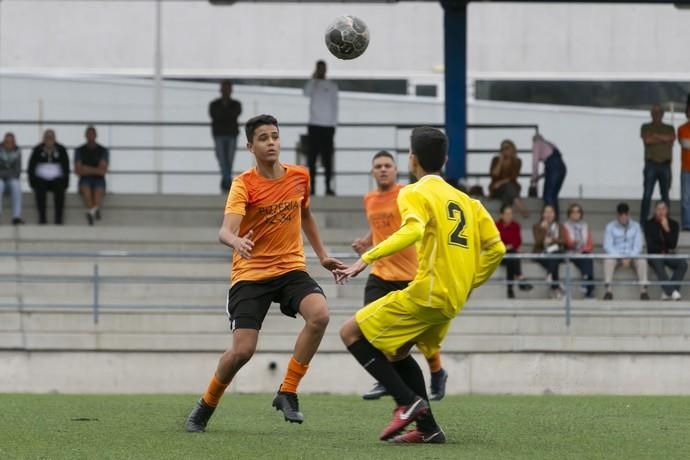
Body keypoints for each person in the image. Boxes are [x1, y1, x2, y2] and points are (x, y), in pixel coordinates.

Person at [336, 127, 505, 444]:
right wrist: (469, 281)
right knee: (398, 351)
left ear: (412, 160)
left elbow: (412, 230)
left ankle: (406, 402)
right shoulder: (469, 202)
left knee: (349, 332)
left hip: (427, 293)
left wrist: (366, 258)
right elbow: (497, 249)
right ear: (445, 160)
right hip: (452, 300)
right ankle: (429, 430)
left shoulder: (413, 192)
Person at [184, 115, 345, 433]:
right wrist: (236, 240)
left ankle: (287, 391)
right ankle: (206, 404)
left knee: (320, 315)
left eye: (275, 136)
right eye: (263, 138)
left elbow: (306, 214)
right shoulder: (243, 184)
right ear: (250, 146)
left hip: (290, 268)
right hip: (251, 273)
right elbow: (225, 231)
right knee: (242, 351)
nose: (271, 142)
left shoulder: (299, 176)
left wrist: (323, 255)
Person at [352, 150, 448, 402]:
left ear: (396, 170)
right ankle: (386, 378)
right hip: (380, 274)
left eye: (387, 165)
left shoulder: (409, 193)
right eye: (378, 166)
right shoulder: (369, 198)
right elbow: (378, 227)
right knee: (370, 326)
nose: (383, 169)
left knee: (417, 336)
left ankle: (437, 372)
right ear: (372, 172)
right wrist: (366, 241)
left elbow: (414, 226)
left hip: (409, 274)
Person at [303, 60, 338, 196]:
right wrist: (313, 78)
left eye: (323, 68)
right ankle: (312, 187)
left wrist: (334, 125)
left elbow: (335, 106)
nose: (321, 71)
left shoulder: (332, 85)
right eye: (319, 68)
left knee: (327, 159)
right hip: (314, 125)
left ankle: (328, 186)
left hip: (328, 127)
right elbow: (305, 93)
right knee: (312, 159)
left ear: (326, 69)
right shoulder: (313, 84)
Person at [602, 202, 649, 301]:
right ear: (617, 215)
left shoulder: (636, 226)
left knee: (642, 261)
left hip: (632, 255)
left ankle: (643, 292)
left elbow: (638, 245)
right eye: (621, 215)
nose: (623, 217)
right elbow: (608, 246)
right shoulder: (610, 226)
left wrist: (629, 257)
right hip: (616, 256)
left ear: (629, 214)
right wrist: (620, 257)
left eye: (625, 215)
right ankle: (608, 291)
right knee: (608, 260)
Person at [644, 201, 687, 301]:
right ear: (655, 211)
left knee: (683, 264)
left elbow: (672, 245)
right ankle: (672, 292)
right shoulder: (648, 224)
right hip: (654, 255)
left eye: (663, 209)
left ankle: (668, 293)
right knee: (658, 261)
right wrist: (662, 249)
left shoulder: (674, 224)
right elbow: (651, 246)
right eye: (658, 209)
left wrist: (667, 229)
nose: (661, 212)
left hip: (668, 254)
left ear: (667, 210)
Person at [640, 104, 675, 224]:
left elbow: (671, 138)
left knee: (665, 195)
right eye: (654, 112)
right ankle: (643, 222)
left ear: (663, 114)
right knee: (647, 194)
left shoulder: (669, 127)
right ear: (651, 113)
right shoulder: (645, 126)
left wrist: (654, 135)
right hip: (651, 164)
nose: (657, 114)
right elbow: (647, 140)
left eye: (659, 112)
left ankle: (666, 221)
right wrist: (663, 139)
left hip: (665, 165)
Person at [28, 129, 69, 225]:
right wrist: (32, 182)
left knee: (60, 190)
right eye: (47, 137)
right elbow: (31, 167)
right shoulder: (37, 149)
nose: (49, 140)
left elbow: (66, 167)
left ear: (55, 139)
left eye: (51, 137)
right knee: (40, 190)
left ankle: (58, 218)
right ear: (43, 139)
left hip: (56, 179)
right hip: (41, 179)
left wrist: (65, 182)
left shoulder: (61, 149)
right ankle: (42, 218)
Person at [209, 80, 242, 192]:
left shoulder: (236, 104)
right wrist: (227, 116)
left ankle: (225, 182)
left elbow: (233, 115)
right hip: (219, 135)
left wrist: (223, 116)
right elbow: (216, 115)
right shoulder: (214, 105)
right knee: (222, 159)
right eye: (224, 88)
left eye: (227, 88)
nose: (226, 91)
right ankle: (227, 182)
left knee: (229, 159)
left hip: (231, 135)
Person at [496, 204, 532, 298]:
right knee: (511, 256)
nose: (509, 216)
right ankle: (520, 278)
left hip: (511, 253)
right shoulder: (496, 226)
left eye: (511, 214)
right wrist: (504, 247)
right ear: (502, 215)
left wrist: (510, 246)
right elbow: (495, 241)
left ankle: (510, 289)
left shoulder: (516, 226)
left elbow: (518, 241)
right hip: (500, 254)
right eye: (507, 214)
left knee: (511, 258)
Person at [74, 126, 109, 226]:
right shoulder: (79, 150)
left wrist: (86, 168)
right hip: (85, 179)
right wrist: (96, 169)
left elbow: (102, 172)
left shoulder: (103, 150)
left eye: (92, 133)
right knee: (86, 190)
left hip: (99, 179)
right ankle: (94, 210)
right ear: (85, 135)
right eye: (88, 133)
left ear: (96, 135)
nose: (90, 136)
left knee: (98, 191)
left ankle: (91, 211)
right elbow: (78, 171)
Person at [489, 139, 529, 217]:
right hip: (497, 189)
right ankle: (518, 203)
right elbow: (493, 175)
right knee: (508, 190)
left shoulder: (517, 161)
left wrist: (500, 182)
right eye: (502, 149)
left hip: (510, 187)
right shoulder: (496, 160)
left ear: (512, 149)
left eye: (507, 148)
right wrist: (500, 162)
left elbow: (513, 177)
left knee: (507, 193)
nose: (504, 150)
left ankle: (503, 215)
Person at [562, 203, 595, 299]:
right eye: (573, 212)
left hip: (583, 251)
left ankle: (585, 280)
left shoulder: (585, 225)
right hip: (571, 252)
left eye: (578, 212)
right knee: (586, 259)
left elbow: (590, 243)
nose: (576, 214)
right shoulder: (565, 226)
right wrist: (575, 243)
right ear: (569, 214)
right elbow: (567, 242)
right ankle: (589, 292)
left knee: (588, 258)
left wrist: (583, 249)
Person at [532, 204, 565, 299]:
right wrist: (543, 230)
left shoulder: (559, 226)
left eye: (551, 212)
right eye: (546, 212)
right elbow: (537, 242)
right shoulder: (537, 226)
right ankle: (556, 287)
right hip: (542, 253)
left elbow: (563, 241)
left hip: (556, 252)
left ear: (554, 214)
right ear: (542, 214)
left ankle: (550, 275)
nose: (548, 214)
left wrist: (553, 240)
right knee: (554, 261)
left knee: (554, 256)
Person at [530, 134, 566, 219]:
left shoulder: (537, 144)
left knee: (548, 195)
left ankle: (549, 219)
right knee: (553, 195)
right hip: (562, 168)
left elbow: (535, 162)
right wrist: (539, 177)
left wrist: (534, 177)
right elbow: (551, 169)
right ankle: (555, 219)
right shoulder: (550, 144)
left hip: (552, 168)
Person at [0, 132, 24, 224]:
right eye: (7, 141)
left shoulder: (18, 152)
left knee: (16, 184)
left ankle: (16, 217)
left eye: (11, 142)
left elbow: (17, 171)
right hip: (1, 180)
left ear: (14, 142)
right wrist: (8, 172)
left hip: (11, 180)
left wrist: (4, 172)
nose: (8, 143)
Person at [678, 95, 690, 231]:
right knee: (686, 198)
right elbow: (685, 143)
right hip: (686, 168)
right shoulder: (682, 128)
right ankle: (687, 224)